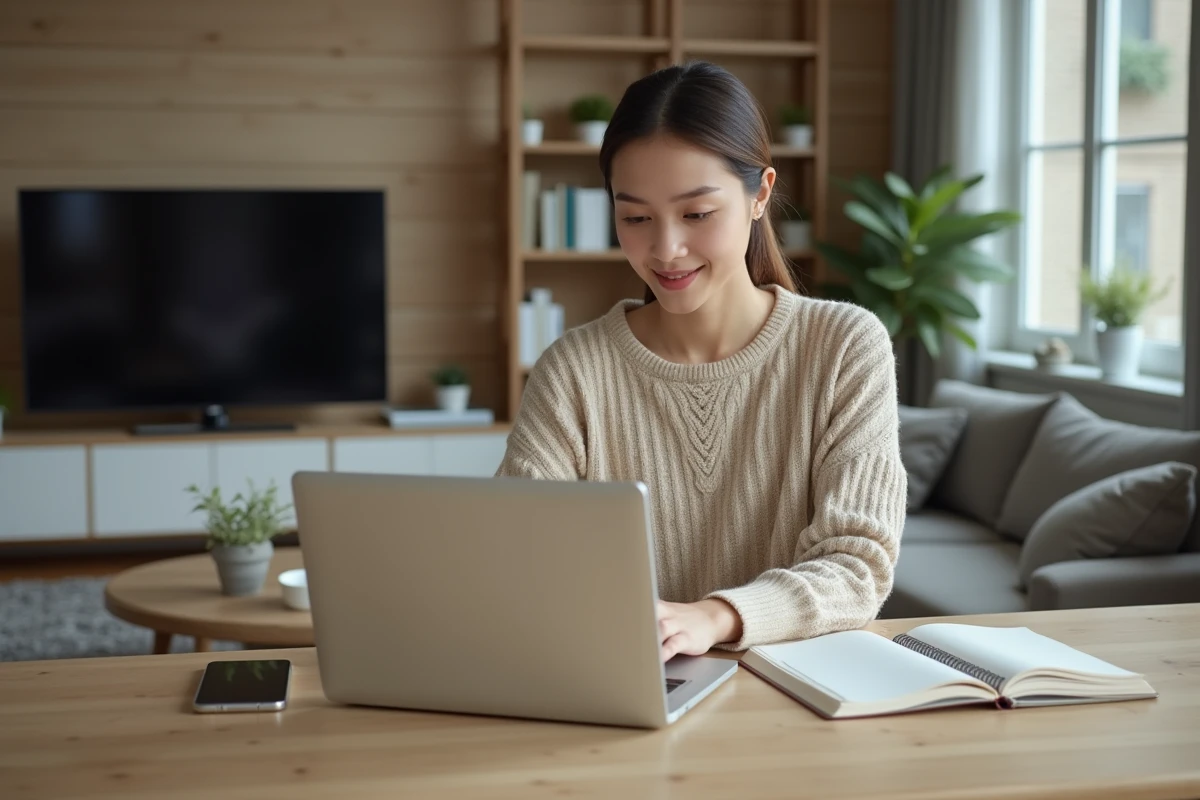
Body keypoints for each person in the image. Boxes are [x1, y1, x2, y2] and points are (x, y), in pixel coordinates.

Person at [496, 61, 906, 661]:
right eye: (635, 218)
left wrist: (716, 617)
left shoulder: (844, 346)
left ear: (760, 194)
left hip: (793, 697)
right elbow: (519, 555)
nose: (665, 250)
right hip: (621, 687)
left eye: (696, 214)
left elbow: (857, 565)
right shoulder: (575, 370)